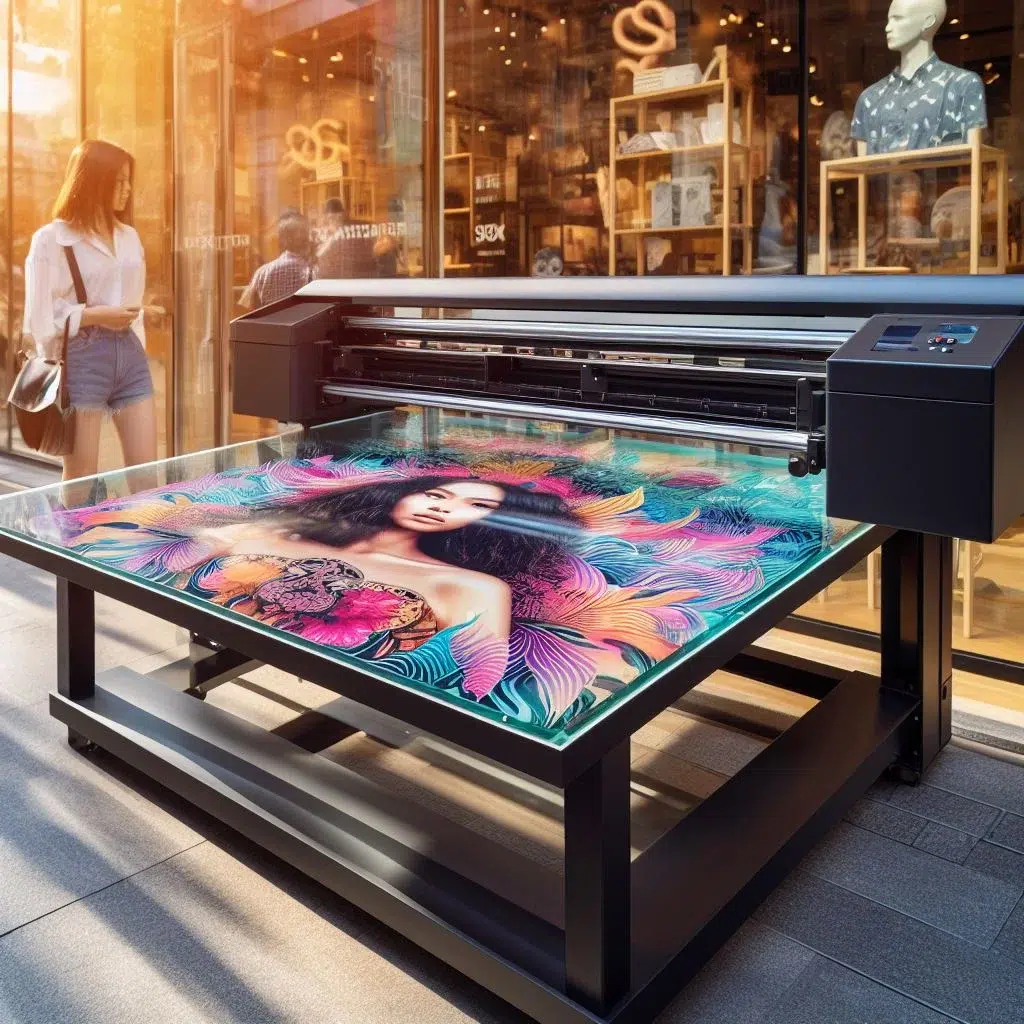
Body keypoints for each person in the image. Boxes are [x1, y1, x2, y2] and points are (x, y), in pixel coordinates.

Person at [191, 476, 578, 645]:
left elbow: (475, 684)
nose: (441, 508)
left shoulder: (471, 587)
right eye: (436, 494)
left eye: (477, 506)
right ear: (404, 493)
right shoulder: (278, 532)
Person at [23, 139, 156, 484]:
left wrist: (134, 328)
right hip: (81, 359)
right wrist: (94, 315)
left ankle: (153, 536)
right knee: (82, 477)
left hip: (129, 355)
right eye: (120, 181)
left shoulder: (129, 237)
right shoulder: (52, 239)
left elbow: (131, 303)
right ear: (94, 181)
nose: (128, 190)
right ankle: (74, 538)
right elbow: (40, 319)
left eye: (130, 181)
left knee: (145, 475)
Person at [239, 213, 312, 310]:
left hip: (269, 325)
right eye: (307, 235)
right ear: (306, 240)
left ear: (281, 240)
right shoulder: (312, 272)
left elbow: (247, 307)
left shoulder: (262, 272)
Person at [314, 197, 375, 279]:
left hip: (355, 276)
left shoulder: (356, 230)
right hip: (330, 278)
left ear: (344, 215)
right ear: (326, 218)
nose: (335, 220)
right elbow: (318, 257)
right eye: (331, 218)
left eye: (338, 217)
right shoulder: (321, 234)